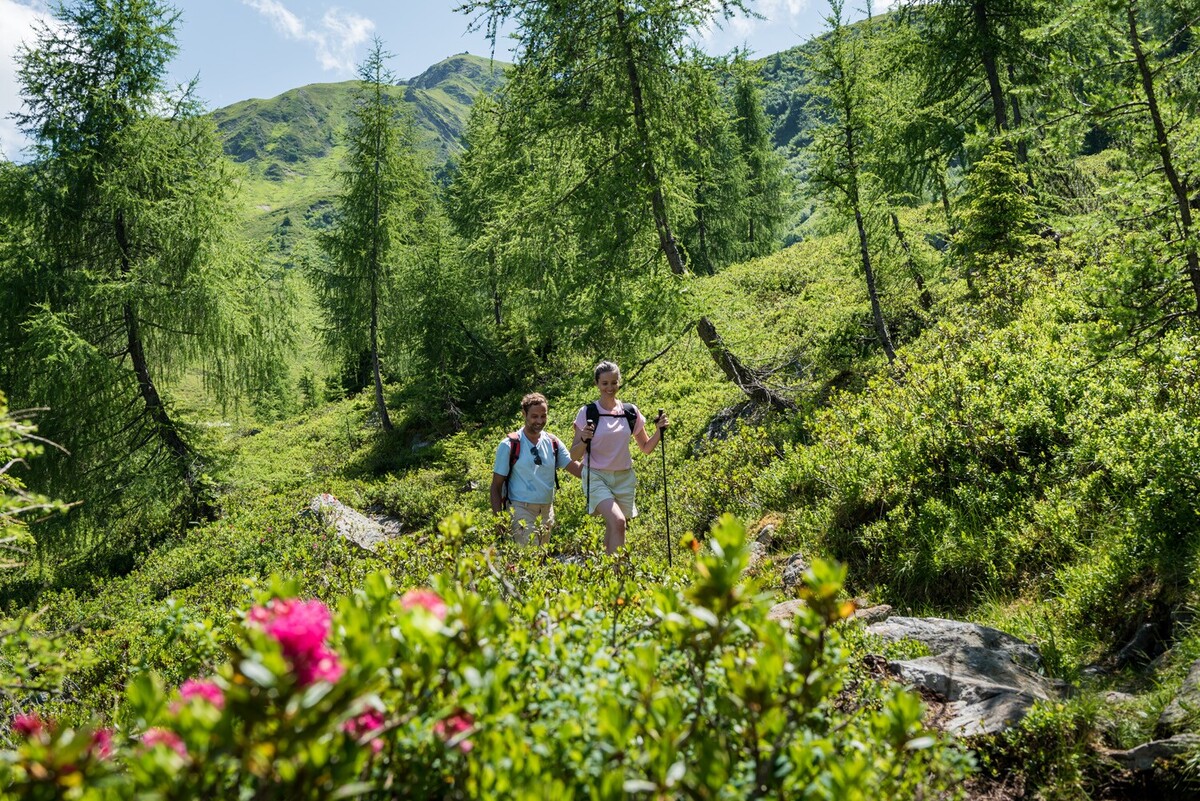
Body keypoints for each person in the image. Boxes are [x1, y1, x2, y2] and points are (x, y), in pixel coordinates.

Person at [570, 360, 667, 554]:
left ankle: (607, 577)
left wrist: (659, 431)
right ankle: (619, 580)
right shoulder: (587, 412)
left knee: (616, 527)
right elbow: (574, 454)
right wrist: (584, 439)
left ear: (619, 382)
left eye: (614, 382)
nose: (610, 387)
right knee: (618, 521)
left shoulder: (630, 412)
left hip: (624, 477)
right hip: (596, 476)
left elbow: (646, 448)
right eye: (605, 383)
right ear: (597, 384)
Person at [490, 392, 573, 546]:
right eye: (535, 416)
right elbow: (496, 486)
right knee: (529, 557)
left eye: (543, 416)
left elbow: (575, 468)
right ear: (524, 414)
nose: (540, 421)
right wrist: (499, 520)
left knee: (541, 560)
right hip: (520, 509)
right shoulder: (509, 444)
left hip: (547, 510)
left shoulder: (552, 442)